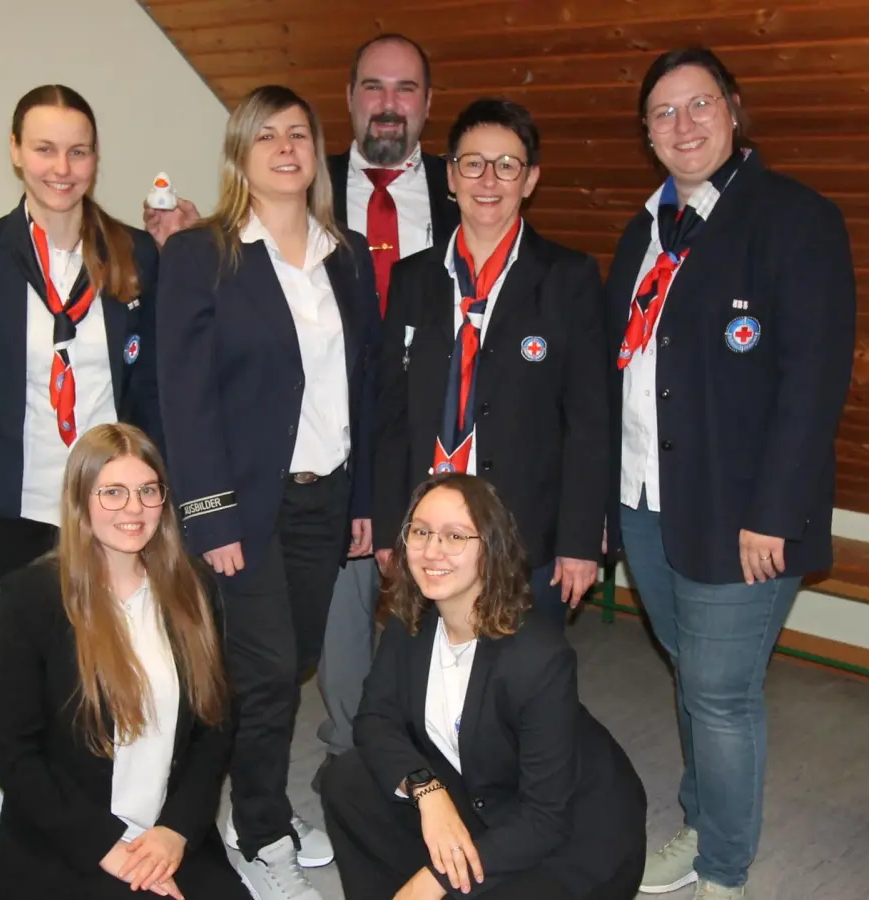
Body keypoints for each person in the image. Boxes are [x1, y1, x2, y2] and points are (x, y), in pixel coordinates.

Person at [604, 48, 856, 900]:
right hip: (647, 499)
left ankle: (725, 870)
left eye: (699, 104)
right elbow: (631, 366)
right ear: (647, 134)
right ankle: (704, 821)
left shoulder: (794, 219)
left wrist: (775, 512)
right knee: (695, 676)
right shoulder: (646, 229)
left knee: (719, 694)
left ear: (735, 110)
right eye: (664, 113)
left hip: (741, 511)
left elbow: (813, 380)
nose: (684, 125)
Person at [157, 85, 380, 900]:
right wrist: (209, 514)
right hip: (246, 508)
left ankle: (264, 812)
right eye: (266, 135)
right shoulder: (201, 254)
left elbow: (365, 387)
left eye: (298, 134)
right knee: (268, 671)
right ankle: (260, 834)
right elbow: (185, 397)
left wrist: (366, 505)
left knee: (298, 665)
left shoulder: (344, 255)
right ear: (240, 154)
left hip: (329, 498)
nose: (286, 148)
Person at [322, 474, 646, 900]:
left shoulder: (538, 657)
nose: (431, 550)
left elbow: (545, 818)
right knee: (348, 778)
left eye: (455, 536)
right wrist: (427, 789)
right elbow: (375, 719)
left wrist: (433, 881)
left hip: (571, 836)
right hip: (483, 795)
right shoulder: (410, 620)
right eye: (420, 532)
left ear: (491, 549)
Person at [0, 423, 244, 900]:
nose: (134, 508)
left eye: (148, 491)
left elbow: (216, 726)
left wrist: (176, 831)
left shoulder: (195, 589)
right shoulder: (32, 598)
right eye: (113, 493)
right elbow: (14, 751)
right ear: (80, 502)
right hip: (70, 839)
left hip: (168, 834)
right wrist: (109, 849)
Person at [374, 98, 608, 631]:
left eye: (508, 166)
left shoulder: (568, 279)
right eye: (473, 163)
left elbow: (589, 423)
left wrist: (579, 542)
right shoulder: (413, 279)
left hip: (523, 530)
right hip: (426, 530)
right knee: (425, 688)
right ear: (450, 176)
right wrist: (390, 524)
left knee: (516, 696)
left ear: (530, 180)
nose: (489, 180)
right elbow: (389, 414)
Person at [314, 31, 461, 795]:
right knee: (345, 610)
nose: (389, 105)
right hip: (331, 432)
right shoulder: (303, 181)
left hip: (429, 434)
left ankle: (434, 749)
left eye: (406, 89)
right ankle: (348, 756)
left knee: (432, 596)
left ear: (428, 105)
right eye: (374, 87)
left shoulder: (463, 186)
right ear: (349, 99)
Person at [0, 85, 162, 577]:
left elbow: (155, 386)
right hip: (17, 511)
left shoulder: (137, 253)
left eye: (78, 152)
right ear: (15, 150)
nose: (62, 169)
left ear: (95, 158)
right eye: (44, 149)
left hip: (116, 509)